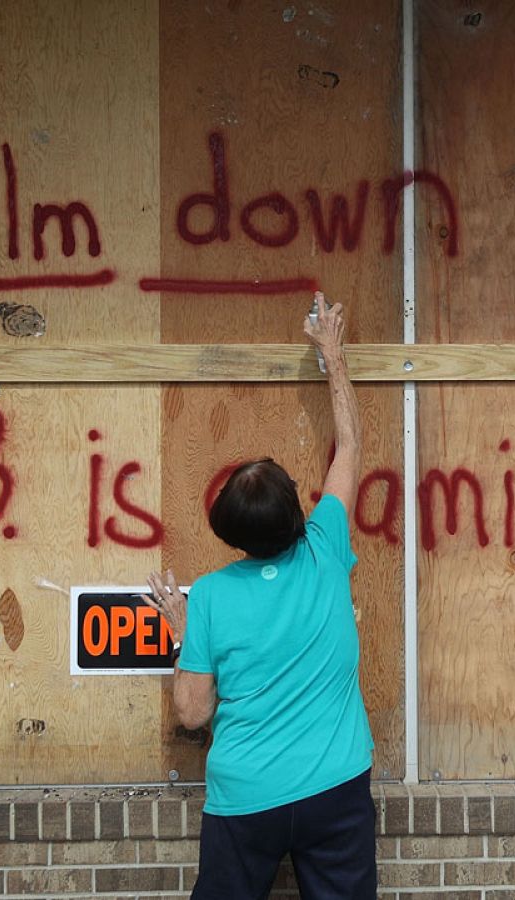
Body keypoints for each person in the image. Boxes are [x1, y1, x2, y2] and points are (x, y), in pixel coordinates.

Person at [141, 291, 374, 900]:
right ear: (298, 512)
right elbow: (349, 447)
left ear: (230, 534)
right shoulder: (325, 549)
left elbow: (192, 713)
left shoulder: (213, 597)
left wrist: (183, 633)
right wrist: (332, 352)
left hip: (246, 800)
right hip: (335, 790)